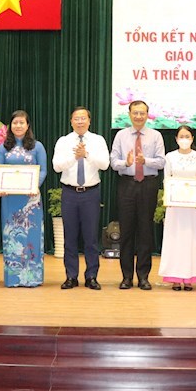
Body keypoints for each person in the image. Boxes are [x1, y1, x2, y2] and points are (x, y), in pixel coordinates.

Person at [52, 107, 110, 290]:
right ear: (71, 121)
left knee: (91, 237)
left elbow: (105, 164)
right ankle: (71, 276)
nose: (80, 121)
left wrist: (86, 155)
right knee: (69, 237)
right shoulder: (63, 141)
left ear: (89, 121)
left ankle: (91, 276)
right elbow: (56, 166)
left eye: (83, 118)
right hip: (69, 192)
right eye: (76, 118)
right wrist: (74, 157)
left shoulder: (98, 140)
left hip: (90, 193)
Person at [109, 100, 166, 290]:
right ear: (129, 114)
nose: (139, 116)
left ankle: (143, 277)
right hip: (126, 184)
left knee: (145, 231)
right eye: (135, 113)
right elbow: (113, 161)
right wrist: (126, 163)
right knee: (126, 231)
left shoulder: (156, 136)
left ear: (147, 115)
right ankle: (126, 277)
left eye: (142, 113)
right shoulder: (121, 135)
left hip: (148, 185)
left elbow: (161, 161)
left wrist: (145, 160)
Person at [0, 110, 47, 288]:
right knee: (11, 236)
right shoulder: (3, 147)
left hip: (31, 199)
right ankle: (13, 278)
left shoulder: (37, 147)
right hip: (10, 199)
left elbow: (43, 170)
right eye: (15, 123)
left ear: (28, 125)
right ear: (10, 126)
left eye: (21, 122)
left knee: (32, 235)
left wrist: (35, 186)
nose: (18, 126)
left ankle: (32, 277)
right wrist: (0, 187)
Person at [157, 126, 196, 291]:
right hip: (175, 206)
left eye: (187, 136)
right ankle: (175, 278)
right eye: (181, 136)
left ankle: (190, 277)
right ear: (176, 139)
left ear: (192, 138)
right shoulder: (170, 157)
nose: (184, 139)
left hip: (193, 207)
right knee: (175, 240)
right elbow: (167, 180)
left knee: (192, 240)